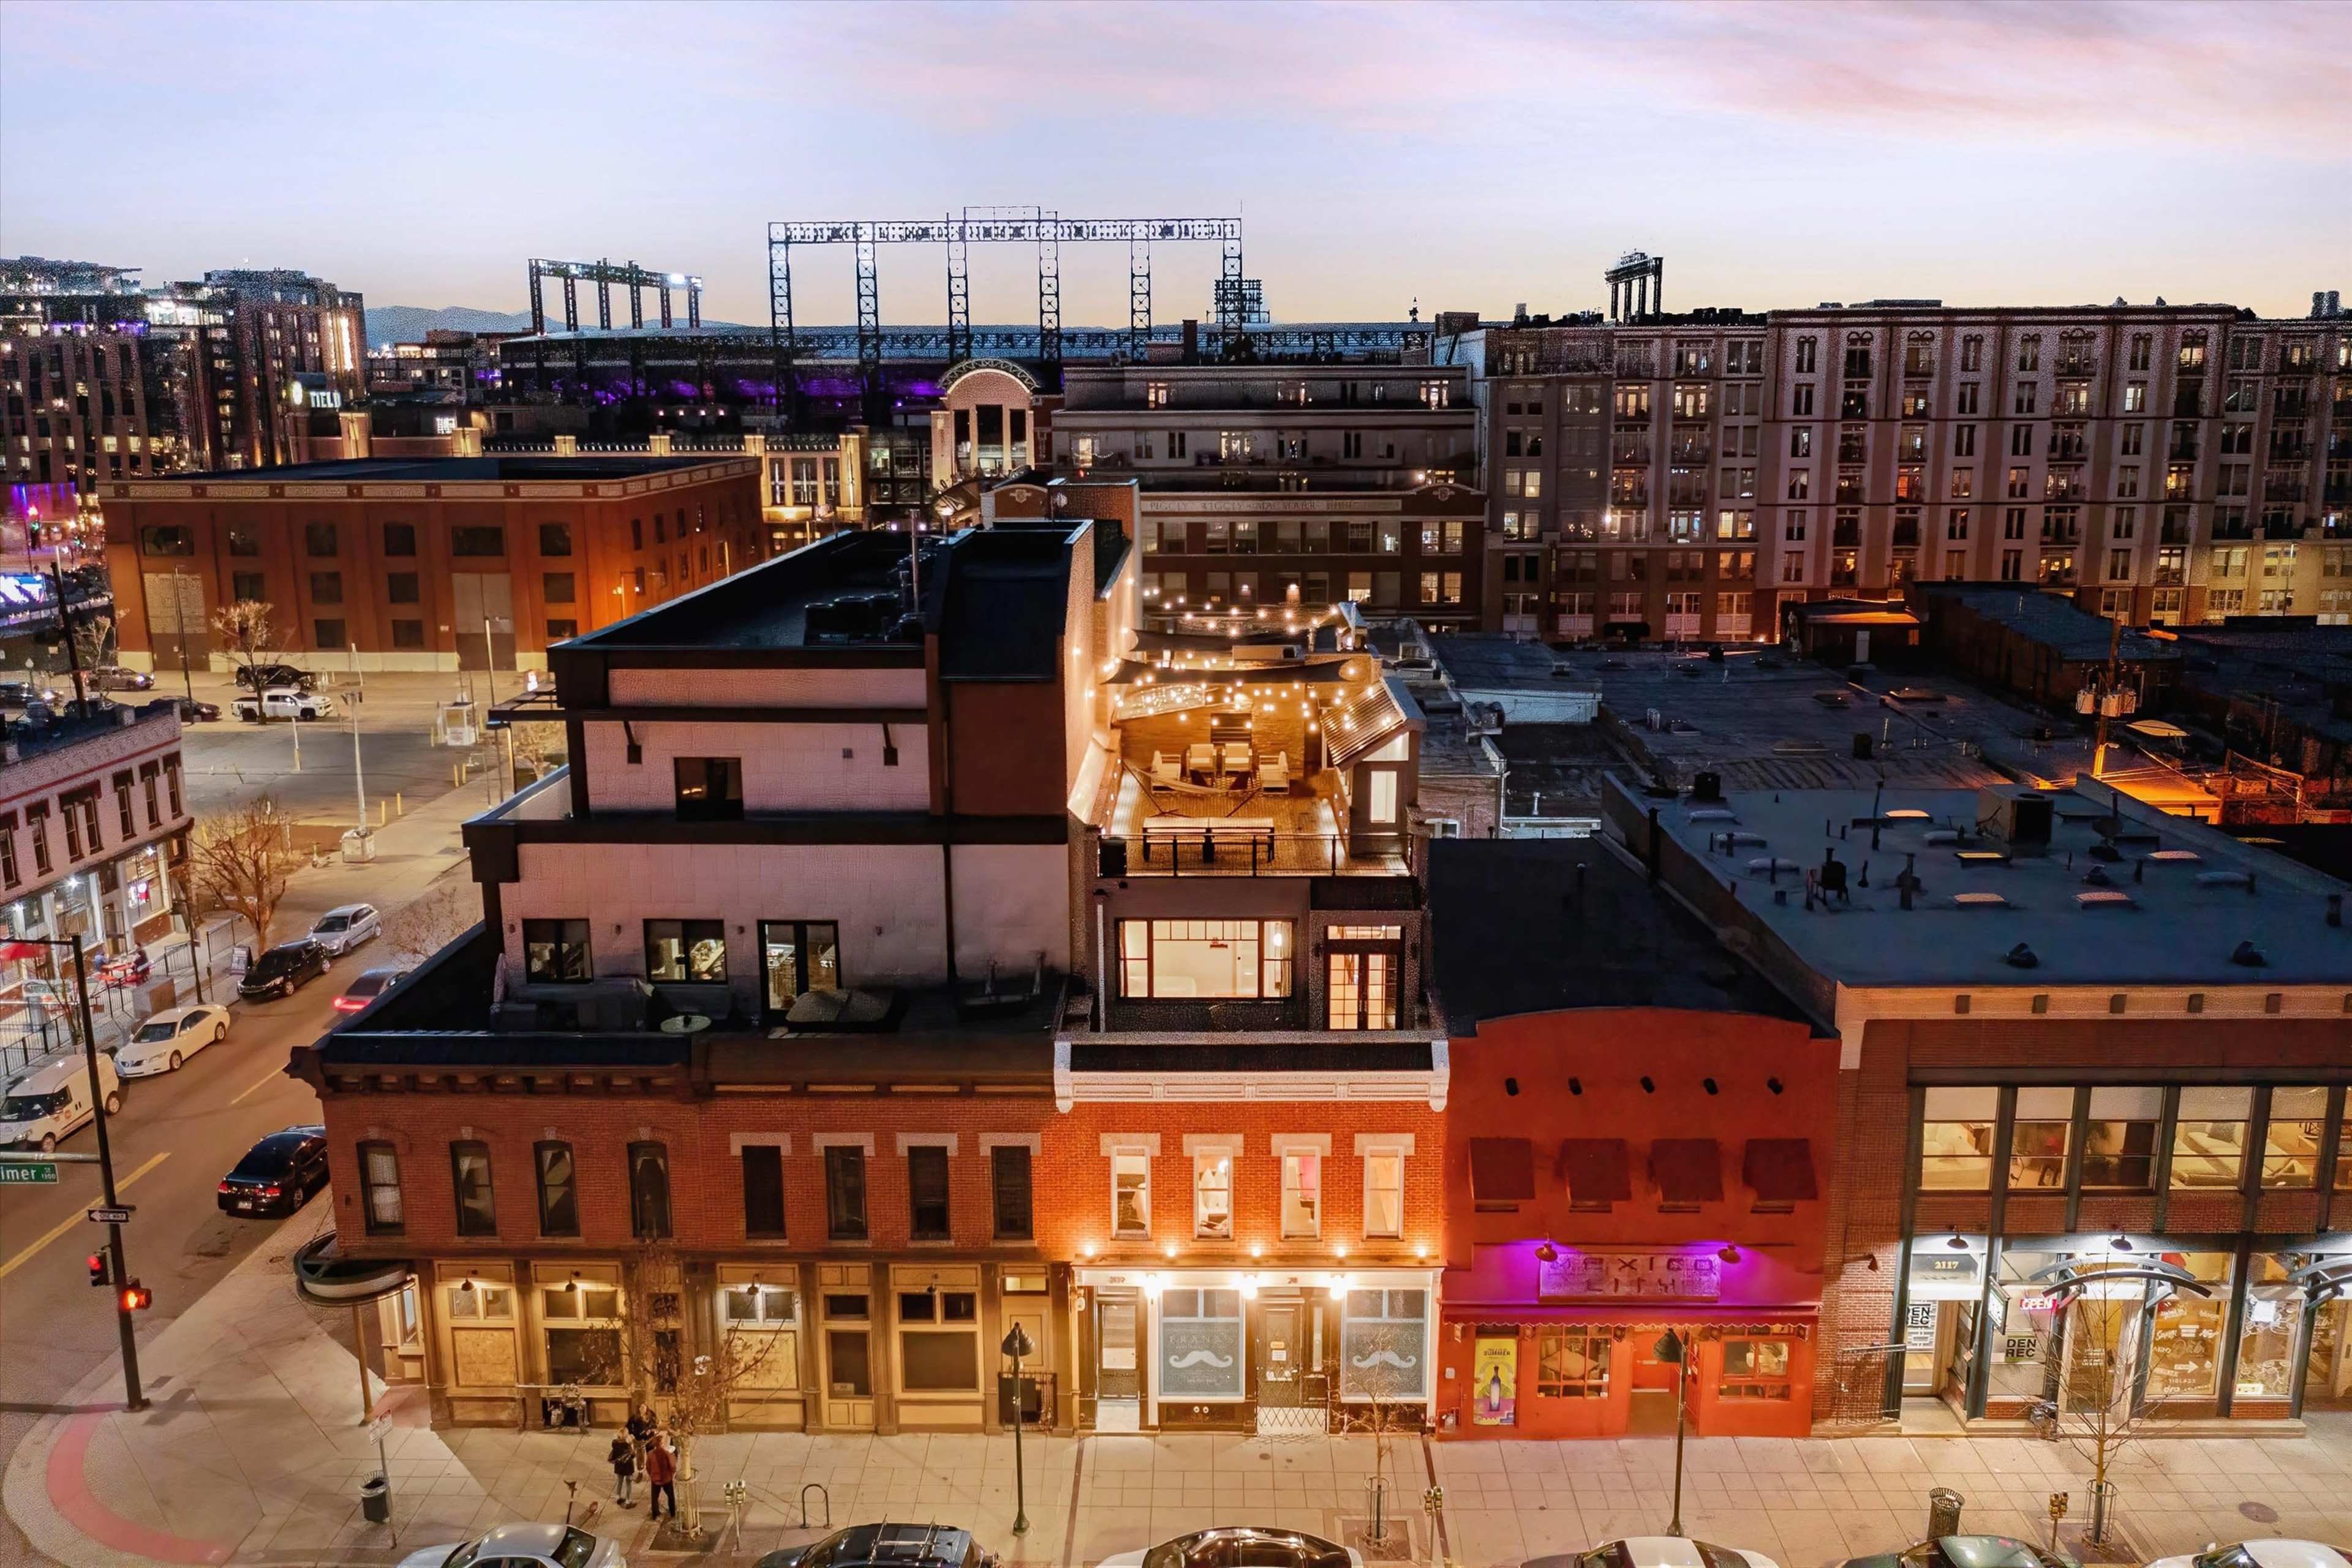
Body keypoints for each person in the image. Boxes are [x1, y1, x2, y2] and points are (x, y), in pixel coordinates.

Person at [644, 1430, 677, 1521]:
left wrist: (652, 1474)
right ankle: (673, 1513)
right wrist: (672, 1474)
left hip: (656, 1479)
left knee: (654, 1497)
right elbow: (673, 1466)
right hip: (667, 1479)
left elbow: (648, 1467)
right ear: (662, 1444)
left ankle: (655, 1514)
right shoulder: (667, 1454)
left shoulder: (651, 1454)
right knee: (671, 1496)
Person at [607, 1432, 636, 1508]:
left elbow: (614, 1456)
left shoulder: (615, 1444)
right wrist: (632, 1443)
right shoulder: (628, 1445)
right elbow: (633, 1455)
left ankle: (618, 1497)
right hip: (628, 1467)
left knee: (620, 1481)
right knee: (628, 1483)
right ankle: (628, 1500)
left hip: (619, 1467)